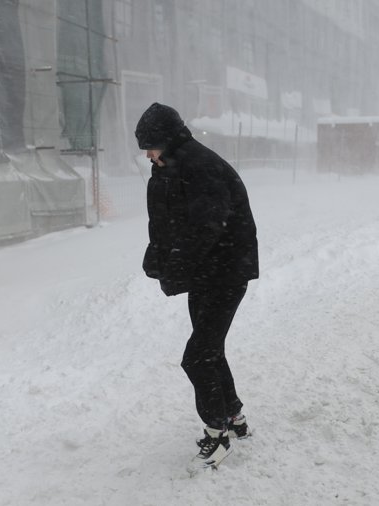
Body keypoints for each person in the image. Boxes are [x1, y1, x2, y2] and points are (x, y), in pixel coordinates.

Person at [135, 102, 259, 469]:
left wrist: (176, 263)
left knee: (197, 356)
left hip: (225, 271)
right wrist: (157, 256)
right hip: (208, 272)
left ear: (168, 140)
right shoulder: (172, 166)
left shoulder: (200, 167)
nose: (147, 153)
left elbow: (206, 226)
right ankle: (234, 418)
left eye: (151, 145)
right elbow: (168, 220)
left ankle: (217, 433)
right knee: (210, 349)